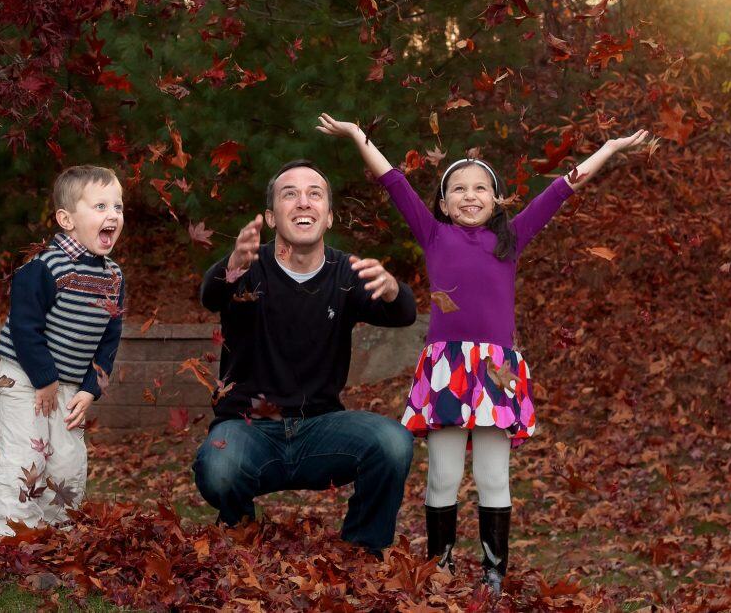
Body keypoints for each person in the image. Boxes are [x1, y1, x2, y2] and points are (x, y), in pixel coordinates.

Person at [317, 112, 648, 593]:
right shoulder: (434, 235)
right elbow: (392, 180)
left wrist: (610, 149)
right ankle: (442, 571)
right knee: (444, 476)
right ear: (444, 204)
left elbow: (562, 188)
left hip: (496, 371)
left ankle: (494, 577)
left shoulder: (510, 241)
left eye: (480, 189)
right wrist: (356, 135)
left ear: (496, 201)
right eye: (459, 189)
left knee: (495, 477)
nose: (470, 196)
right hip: (447, 369)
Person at [193, 159, 418, 554]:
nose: (303, 203)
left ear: (328, 216)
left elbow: (404, 315)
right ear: (271, 216)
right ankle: (238, 532)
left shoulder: (346, 273)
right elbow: (210, 295)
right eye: (290, 194)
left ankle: (361, 550)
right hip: (249, 427)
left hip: (320, 428)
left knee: (393, 442)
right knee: (220, 465)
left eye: (315, 195)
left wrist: (393, 290)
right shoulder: (248, 266)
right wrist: (230, 266)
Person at [0, 164, 125, 538]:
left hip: (69, 384)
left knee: (66, 460)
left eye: (118, 206)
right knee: (26, 457)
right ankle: (15, 536)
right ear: (67, 218)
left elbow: (109, 337)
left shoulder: (113, 277)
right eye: (100, 206)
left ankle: (57, 531)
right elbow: (24, 328)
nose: (112, 214)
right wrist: (44, 379)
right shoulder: (44, 268)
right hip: (22, 377)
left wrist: (89, 387)